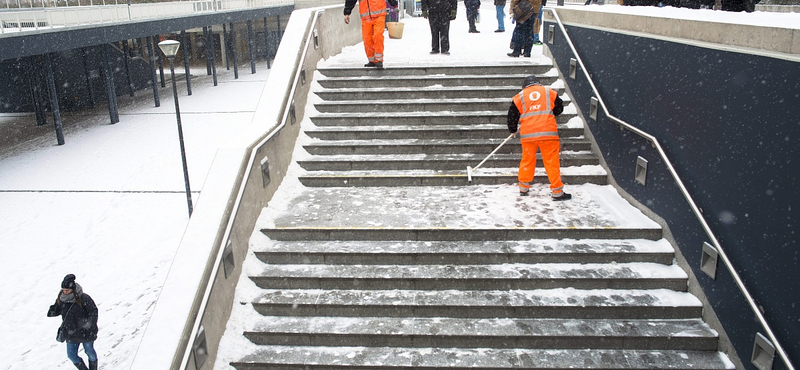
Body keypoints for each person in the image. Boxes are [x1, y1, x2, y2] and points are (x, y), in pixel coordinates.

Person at [507, 75, 571, 201]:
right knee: (552, 162)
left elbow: (512, 115)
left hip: (528, 135)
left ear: (525, 86)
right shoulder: (548, 92)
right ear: (538, 83)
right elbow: (559, 108)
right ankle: (557, 192)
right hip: (548, 133)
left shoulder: (520, 96)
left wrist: (513, 129)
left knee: (527, 160)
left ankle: (523, 188)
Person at [47, 274, 100, 370]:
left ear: (73, 289)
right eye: (63, 290)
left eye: (67, 290)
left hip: (86, 332)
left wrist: (89, 324)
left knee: (89, 352)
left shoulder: (84, 298)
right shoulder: (62, 299)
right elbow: (57, 310)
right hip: (71, 333)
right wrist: (52, 310)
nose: (64, 292)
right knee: (71, 355)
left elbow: (93, 312)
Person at [344, 0, 399, 69]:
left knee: (378, 36)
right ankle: (372, 60)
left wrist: (394, 5)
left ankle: (379, 60)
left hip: (379, 14)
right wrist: (347, 13)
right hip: (365, 16)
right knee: (367, 39)